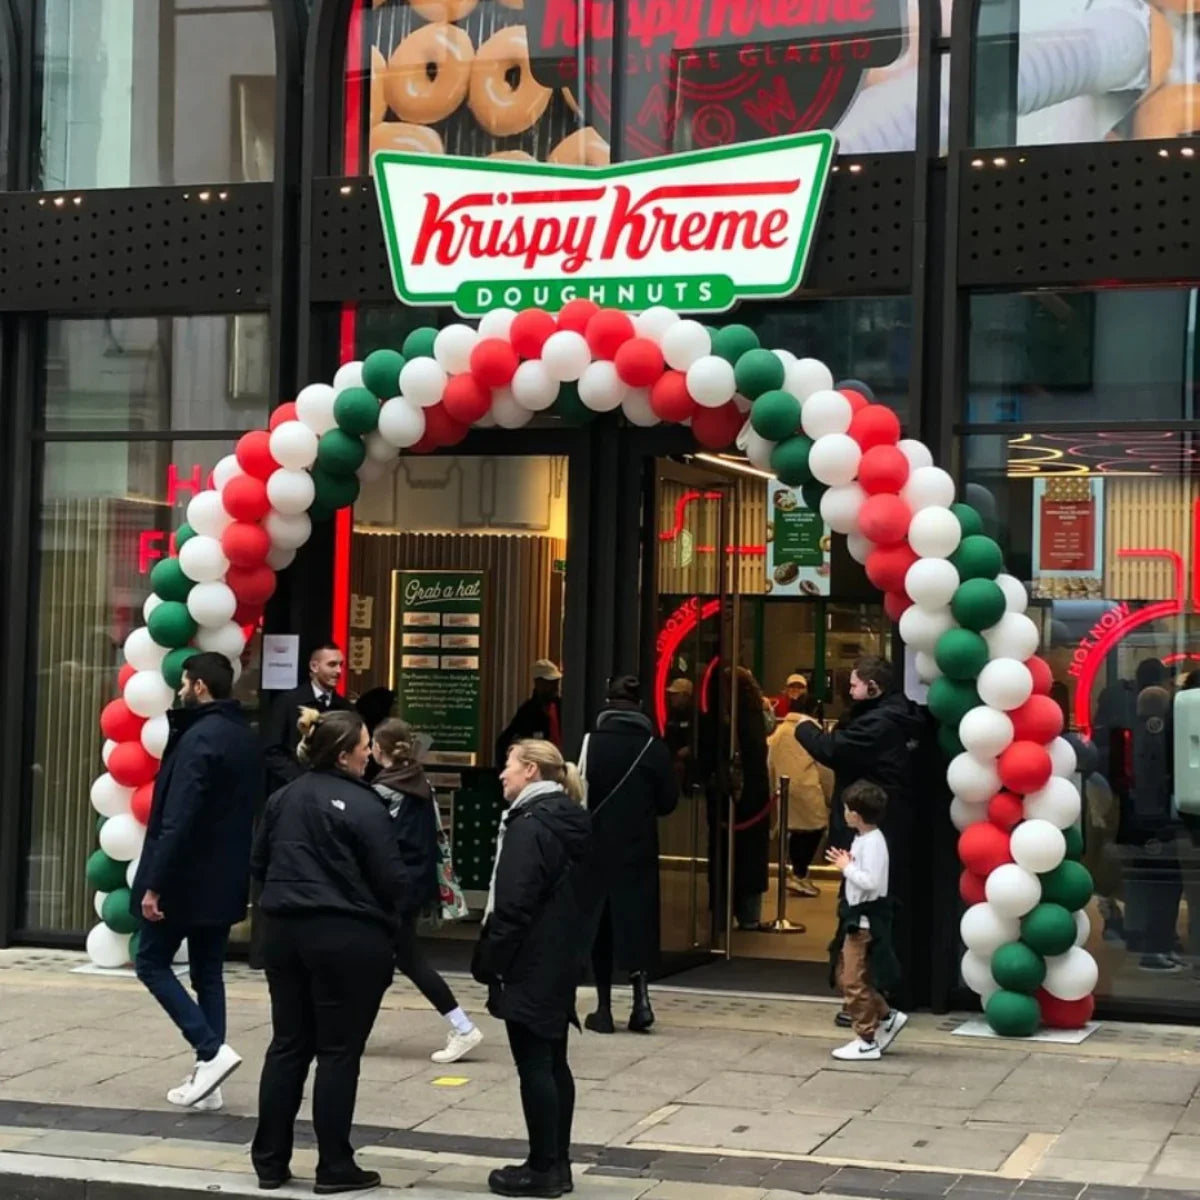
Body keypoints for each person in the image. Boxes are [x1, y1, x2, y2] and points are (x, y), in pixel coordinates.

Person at [250, 709, 413, 1194]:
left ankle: (269, 1161)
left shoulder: (282, 798)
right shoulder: (366, 806)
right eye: (364, 745)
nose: (370, 753)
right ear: (344, 755)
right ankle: (335, 1165)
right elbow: (392, 879)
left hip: (282, 932)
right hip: (346, 935)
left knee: (287, 1045)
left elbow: (258, 862)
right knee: (339, 1053)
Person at [131, 651, 262, 1112]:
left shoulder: (197, 739)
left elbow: (178, 818)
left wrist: (154, 883)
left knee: (150, 962)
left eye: (186, 682)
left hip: (185, 878)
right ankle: (211, 1080)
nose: (182, 689)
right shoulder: (244, 737)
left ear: (201, 687)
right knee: (208, 971)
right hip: (225, 877)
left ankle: (210, 1051)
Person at [473, 740, 591, 1199]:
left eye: (507, 765)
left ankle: (543, 1168)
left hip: (530, 956)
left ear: (529, 770)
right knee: (553, 1060)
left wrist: (490, 960)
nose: (501, 774)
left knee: (535, 1064)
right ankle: (556, 1162)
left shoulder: (530, 826)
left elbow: (513, 903)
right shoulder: (569, 819)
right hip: (559, 953)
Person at [794, 655, 922, 1020]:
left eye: (852, 685)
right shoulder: (900, 715)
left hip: (873, 826)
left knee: (860, 909)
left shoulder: (879, 723)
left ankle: (864, 999)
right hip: (888, 824)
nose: (848, 691)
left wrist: (804, 728)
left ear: (873, 686)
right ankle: (864, 995)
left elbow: (834, 750)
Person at [370, 717, 483, 1063]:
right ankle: (347, 1031)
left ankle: (463, 1027)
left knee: (406, 960)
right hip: (414, 884)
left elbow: (375, 840)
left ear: (378, 749)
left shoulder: (384, 790)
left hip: (390, 886)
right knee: (387, 962)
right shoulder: (420, 783)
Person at [580, 676, 678, 1034]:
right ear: (640, 706)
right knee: (638, 923)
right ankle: (640, 1001)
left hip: (598, 848)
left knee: (601, 926)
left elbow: (580, 793)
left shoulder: (592, 743)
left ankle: (603, 1008)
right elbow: (668, 803)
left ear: (608, 703)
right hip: (638, 849)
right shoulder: (654, 747)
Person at [826, 780, 906, 1062]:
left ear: (856, 815)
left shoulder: (872, 842)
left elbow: (870, 882)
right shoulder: (865, 839)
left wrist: (847, 868)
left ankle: (867, 1038)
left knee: (853, 980)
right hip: (857, 917)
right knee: (847, 974)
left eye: (847, 810)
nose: (844, 814)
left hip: (863, 920)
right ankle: (886, 1016)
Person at [262, 643, 353, 793]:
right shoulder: (287, 702)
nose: (338, 671)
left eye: (341, 665)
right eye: (332, 665)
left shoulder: (345, 708)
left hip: (333, 789)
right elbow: (272, 750)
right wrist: (301, 779)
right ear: (314, 666)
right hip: (293, 789)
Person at [767, 699, 833, 902]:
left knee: (795, 830)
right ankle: (799, 874)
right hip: (808, 787)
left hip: (784, 789)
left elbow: (769, 762)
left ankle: (798, 873)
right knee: (813, 830)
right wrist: (830, 794)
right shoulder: (811, 731)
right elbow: (824, 764)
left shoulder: (779, 732)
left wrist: (773, 788)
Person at [496, 660, 562, 765]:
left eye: (556, 682)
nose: (555, 686)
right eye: (550, 682)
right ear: (538, 683)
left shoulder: (562, 707)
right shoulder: (528, 712)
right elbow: (505, 741)